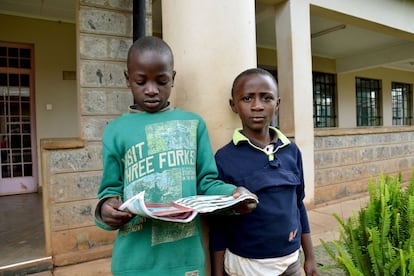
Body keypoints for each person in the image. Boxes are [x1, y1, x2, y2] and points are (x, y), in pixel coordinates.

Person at [94, 36, 257, 276]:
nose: (151, 90)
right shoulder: (115, 131)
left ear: (173, 77)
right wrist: (106, 209)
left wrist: (233, 196)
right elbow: (109, 190)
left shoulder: (193, 125)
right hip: (133, 261)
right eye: (141, 81)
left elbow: (207, 182)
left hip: (185, 259)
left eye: (161, 81)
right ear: (128, 79)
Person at [208, 68, 319, 276]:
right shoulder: (225, 158)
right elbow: (219, 223)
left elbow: (298, 204)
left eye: (266, 98)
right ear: (234, 105)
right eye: (247, 98)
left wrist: (310, 258)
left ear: (277, 103)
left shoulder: (292, 151)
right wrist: (217, 272)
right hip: (247, 266)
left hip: (290, 262)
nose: (257, 106)